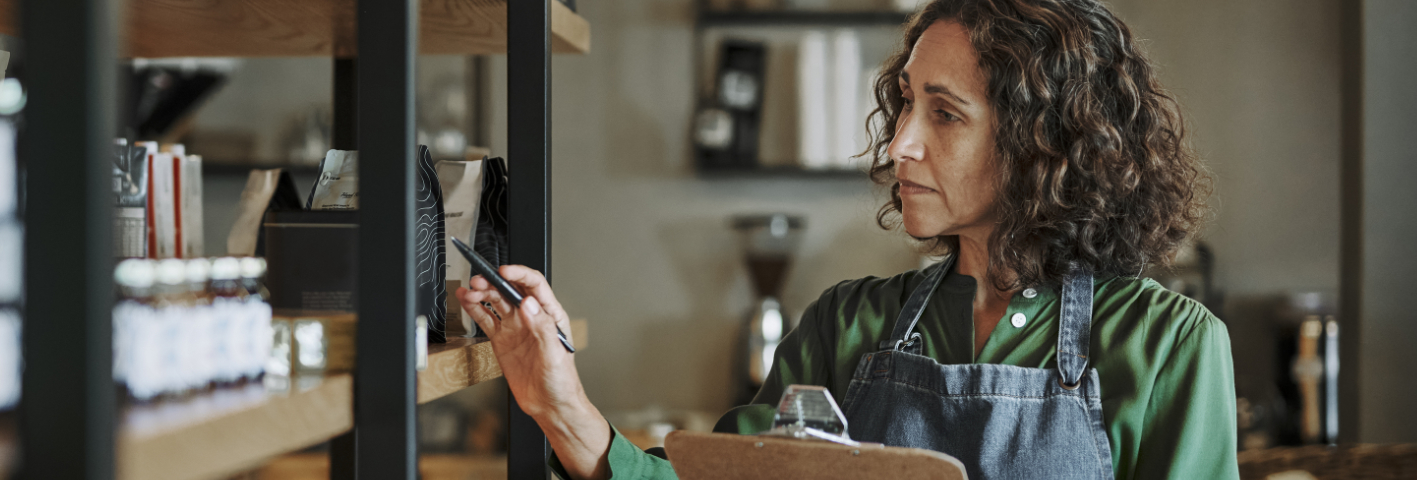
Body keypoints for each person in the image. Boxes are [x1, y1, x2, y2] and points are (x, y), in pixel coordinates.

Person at [457, 0, 1235, 478]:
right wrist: (559, 402)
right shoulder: (846, 325)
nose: (899, 144)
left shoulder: (1168, 346)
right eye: (905, 104)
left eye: (945, 114)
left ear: (1043, 141)